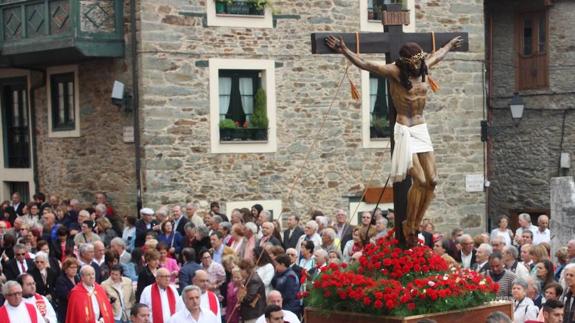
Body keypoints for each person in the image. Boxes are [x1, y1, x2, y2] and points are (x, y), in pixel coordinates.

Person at [325, 34, 462, 245]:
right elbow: (366, 64)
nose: (419, 65)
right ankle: (409, 224)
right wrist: (344, 49)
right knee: (421, 180)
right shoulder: (394, 72)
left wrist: (450, 45)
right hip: (405, 129)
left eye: (420, 61)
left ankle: (416, 222)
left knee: (433, 181)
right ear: (407, 62)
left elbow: (439, 55)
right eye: (415, 62)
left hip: (421, 127)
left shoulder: (424, 68)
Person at [53, 257, 79, 321]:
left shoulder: (77, 278)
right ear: (65, 269)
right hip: (65, 310)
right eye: (71, 267)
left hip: (76, 309)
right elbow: (66, 295)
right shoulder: (61, 280)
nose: (74, 269)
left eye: (75, 267)